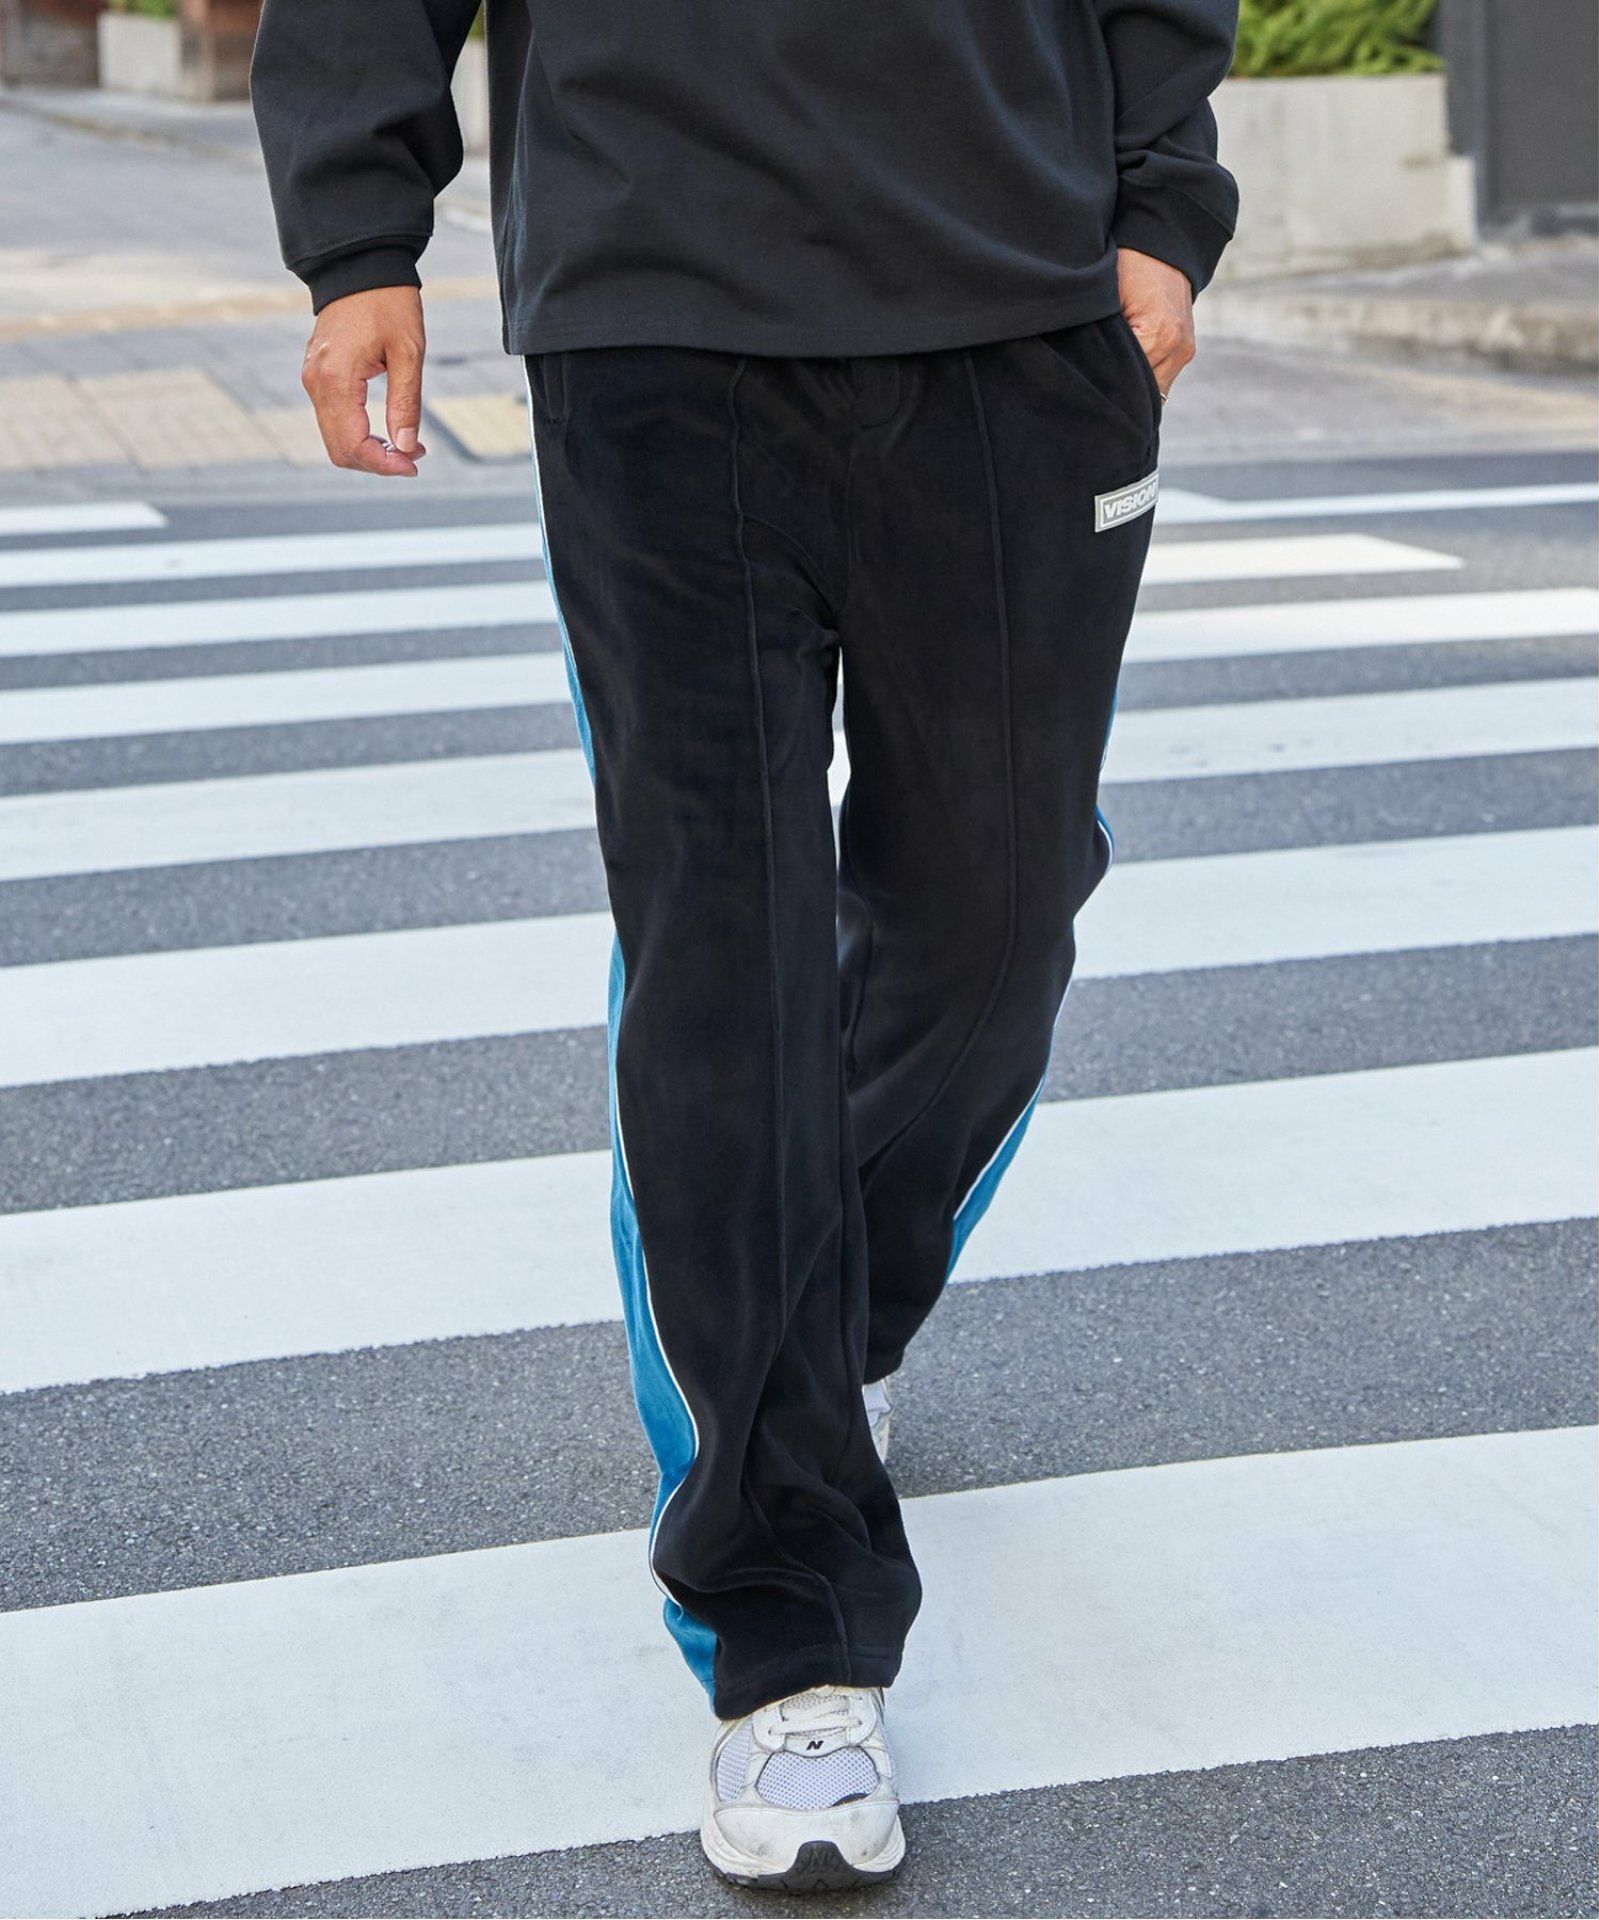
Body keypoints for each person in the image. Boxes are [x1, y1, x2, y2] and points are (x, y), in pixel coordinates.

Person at [252, 0, 1238, 1890]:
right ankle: (788, 1628)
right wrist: (358, 235)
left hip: (1023, 318)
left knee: (999, 922)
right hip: (655, 317)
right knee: (728, 970)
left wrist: (1162, 208)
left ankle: (819, 1317)